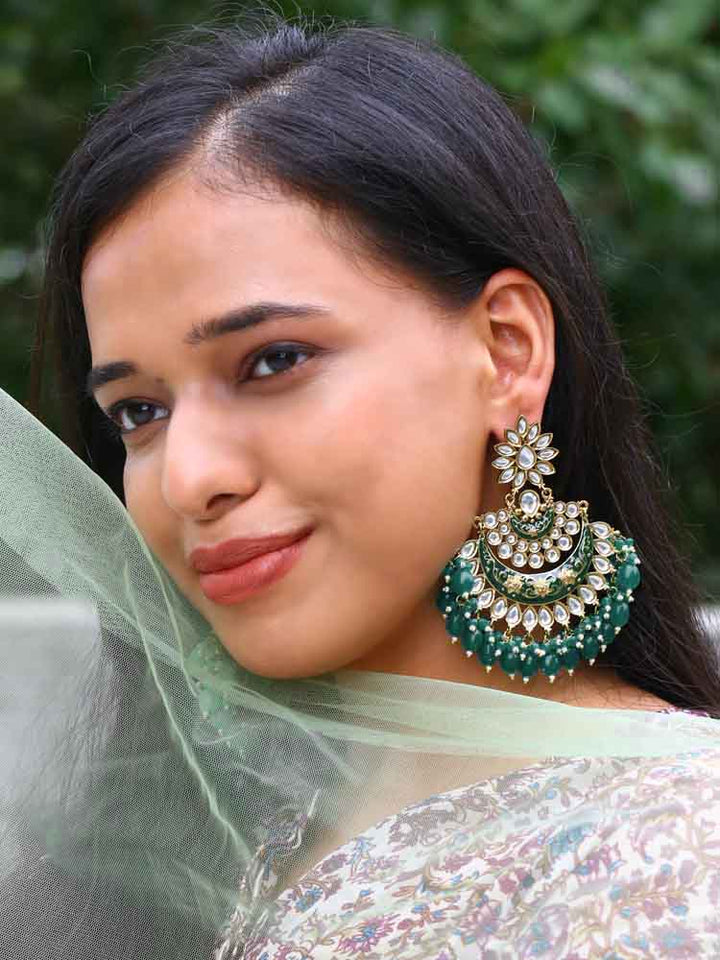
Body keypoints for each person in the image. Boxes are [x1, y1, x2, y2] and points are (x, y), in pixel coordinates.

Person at [1, 12, 718, 960]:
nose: (190, 477)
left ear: (506, 353)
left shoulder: (675, 856)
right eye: (138, 412)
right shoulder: (238, 841)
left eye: (273, 360)